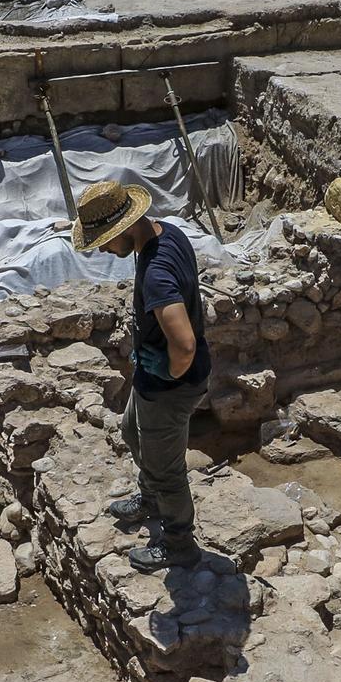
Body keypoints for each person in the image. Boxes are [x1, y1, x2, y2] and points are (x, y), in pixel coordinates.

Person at [69, 180, 211, 573]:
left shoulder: (156, 274)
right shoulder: (168, 233)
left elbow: (183, 345)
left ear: (125, 229)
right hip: (154, 383)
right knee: (133, 432)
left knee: (167, 469)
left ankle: (179, 542)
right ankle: (150, 499)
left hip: (171, 387)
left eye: (105, 240)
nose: (102, 249)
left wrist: (166, 367)